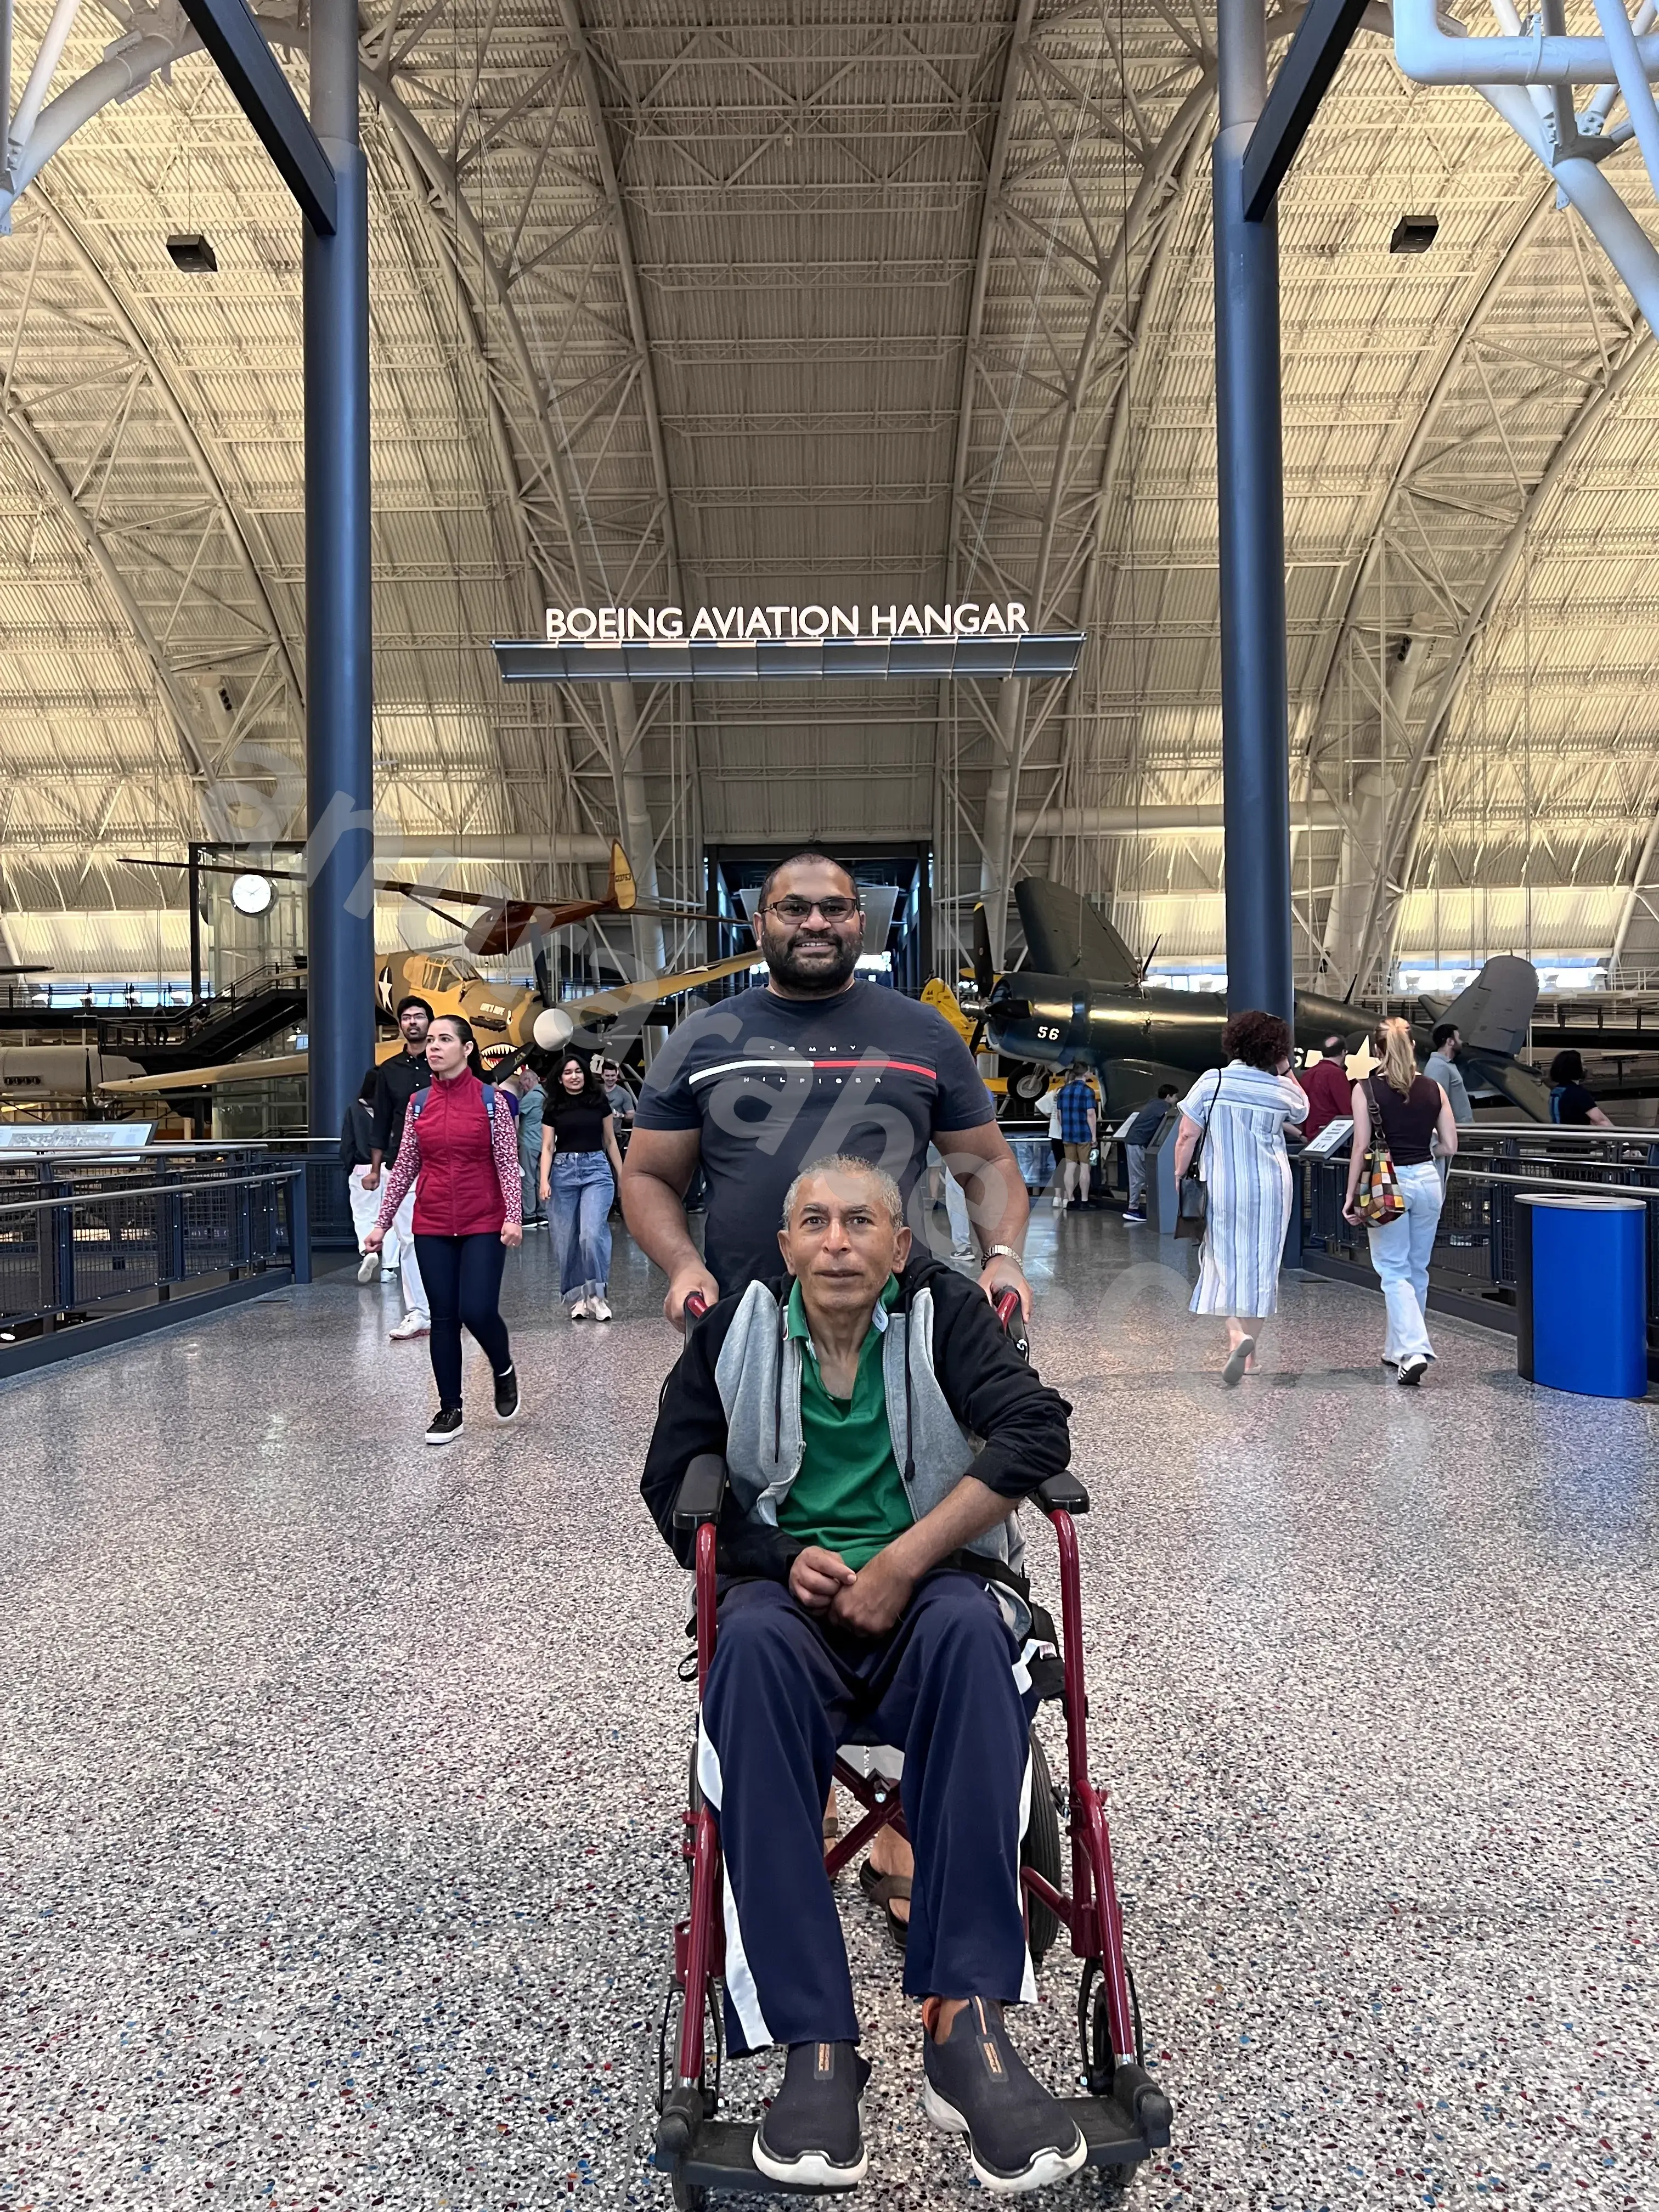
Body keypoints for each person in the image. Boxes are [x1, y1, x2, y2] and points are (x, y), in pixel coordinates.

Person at [640, 1156, 1084, 2197]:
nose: (836, 1241)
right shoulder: (736, 1327)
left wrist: (906, 1558)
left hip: (930, 1589)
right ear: (786, 1245)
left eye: (859, 1223)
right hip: (783, 1604)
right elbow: (673, 1477)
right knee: (742, 1654)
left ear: (897, 1245)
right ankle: (814, 2045)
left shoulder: (945, 1315)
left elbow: (1035, 1431)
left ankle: (964, 2023)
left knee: (976, 1643)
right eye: (813, 1223)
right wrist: (763, 1552)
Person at [620, 852, 1031, 1325]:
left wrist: (1002, 1257)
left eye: (835, 909)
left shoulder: (927, 1032)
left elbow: (989, 1163)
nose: (816, 923)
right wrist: (683, 1265)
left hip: (897, 1322)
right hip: (745, 1320)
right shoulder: (701, 1038)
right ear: (759, 925)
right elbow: (648, 1175)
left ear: (860, 921)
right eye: (793, 909)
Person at [366, 1013, 523, 1443]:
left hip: (484, 1222)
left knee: (477, 1309)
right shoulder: (419, 1104)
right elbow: (404, 1170)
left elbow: (508, 1164)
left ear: (467, 1049)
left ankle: (502, 1364)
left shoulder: (492, 1102)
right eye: (431, 1040)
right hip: (433, 1222)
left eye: (445, 1040)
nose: (434, 1047)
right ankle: (450, 1409)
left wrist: (513, 1215)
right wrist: (382, 1224)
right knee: (445, 1317)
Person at [1172, 1012, 1308, 1384]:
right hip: (1272, 1189)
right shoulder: (1278, 1088)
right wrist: (1284, 1067)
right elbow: (1303, 1109)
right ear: (1276, 1049)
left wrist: (1179, 1174)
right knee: (1263, 1266)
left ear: (1233, 1041)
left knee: (1219, 1260)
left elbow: (1187, 1134)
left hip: (1226, 1186)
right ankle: (1250, 1358)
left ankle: (1237, 1336)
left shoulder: (1213, 1081)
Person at [1342, 1017, 1459, 1385]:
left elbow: (1361, 1147)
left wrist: (1350, 1196)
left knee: (1393, 1272)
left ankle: (1413, 1349)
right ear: (1412, 1048)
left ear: (1377, 1051)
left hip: (1387, 1184)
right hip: (1427, 1179)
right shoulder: (1434, 1089)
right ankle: (1397, 1349)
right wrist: (1427, 1152)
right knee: (1416, 1269)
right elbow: (1450, 1146)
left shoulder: (1365, 1090)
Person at [363, 995, 434, 1341]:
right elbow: (381, 1126)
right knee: (408, 1240)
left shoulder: (445, 1066)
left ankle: (451, 1307)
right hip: (401, 1164)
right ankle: (419, 1312)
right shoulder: (388, 1071)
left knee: (451, 1235)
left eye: (419, 1017)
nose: (412, 1023)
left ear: (429, 1023)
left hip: (442, 1164)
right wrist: (376, 1170)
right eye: (406, 1018)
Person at [539, 1051, 625, 1321]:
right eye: (568, 1072)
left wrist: (623, 1177)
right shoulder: (553, 1106)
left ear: (585, 1075)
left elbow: (611, 1141)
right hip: (563, 1173)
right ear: (561, 1078)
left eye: (578, 1071)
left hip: (596, 1170)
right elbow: (548, 1147)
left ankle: (597, 1296)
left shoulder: (598, 1100)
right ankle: (578, 1298)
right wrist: (544, 1180)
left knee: (590, 1234)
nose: (573, 1076)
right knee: (566, 1240)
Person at [341, 1070, 395, 1282]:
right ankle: (389, 1269)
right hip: (390, 1167)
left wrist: (349, 1165)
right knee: (390, 1218)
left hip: (362, 1169)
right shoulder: (391, 1108)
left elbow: (347, 1141)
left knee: (363, 1215)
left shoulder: (354, 1110)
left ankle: (369, 1251)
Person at [1121, 1084, 1177, 1223]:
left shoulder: (1153, 1103)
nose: (1176, 1100)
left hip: (1134, 1141)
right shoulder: (1164, 1107)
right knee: (1138, 1177)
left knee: (1140, 1175)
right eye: (1175, 1097)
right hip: (1137, 1142)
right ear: (1168, 1096)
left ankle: (1138, 1208)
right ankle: (1133, 1209)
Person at [1052, 1063, 1097, 1212]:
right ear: (1085, 1074)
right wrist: (1094, 1136)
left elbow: (1059, 1116)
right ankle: (1084, 1200)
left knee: (1070, 1167)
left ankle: (1070, 1200)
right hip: (1084, 1134)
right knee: (1085, 1167)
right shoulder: (1087, 1091)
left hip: (1067, 1135)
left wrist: (1066, 1128)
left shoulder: (1063, 1091)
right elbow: (1090, 1114)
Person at [507, 1063, 545, 1228]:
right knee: (540, 1179)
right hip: (543, 1143)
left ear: (528, 1080)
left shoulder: (532, 1097)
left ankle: (529, 1215)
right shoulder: (546, 1094)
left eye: (522, 1085)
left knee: (528, 1180)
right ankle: (543, 1213)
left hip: (529, 1143)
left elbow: (514, 1112)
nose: (522, 1088)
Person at [1297, 1034, 1355, 1142]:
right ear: (1344, 1052)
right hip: (1332, 1138)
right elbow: (1347, 1110)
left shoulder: (1307, 1074)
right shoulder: (1337, 1074)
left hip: (1309, 1137)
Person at [1422, 1023, 1474, 1126]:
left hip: (1460, 1129)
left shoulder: (1445, 1065)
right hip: (1456, 1131)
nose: (1462, 1042)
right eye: (1459, 1039)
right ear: (1450, 1042)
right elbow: (1436, 1103)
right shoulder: (1439, 1066)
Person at [1548, 1049, 1614, 1127]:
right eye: (1582, 1065)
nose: (1585, 1068)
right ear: (1575, 1068)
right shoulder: (1578, 1094)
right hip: (1575, 1138)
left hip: (1559, 1137)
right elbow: (1601, 1121)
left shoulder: (1556, 1091)